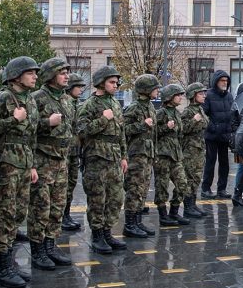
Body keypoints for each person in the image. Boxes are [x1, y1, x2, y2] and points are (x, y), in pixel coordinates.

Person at [0, 56, 40, 288]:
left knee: (17, 213)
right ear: (16, 76)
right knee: (3, 214)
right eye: (30, 72)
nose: (35, 76)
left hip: (23, 163)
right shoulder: (3, 99)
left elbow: (31, 136)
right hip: (5, 163)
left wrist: (32, 164)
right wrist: (12, 120)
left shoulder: (30, 101)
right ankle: (3, 266)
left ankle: (7, 263)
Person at [28, 58, 75, 270]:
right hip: (43, 158)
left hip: (61, 160)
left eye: (67, 72)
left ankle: (51, 245)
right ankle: (38, 251)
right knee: (41, 207)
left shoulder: (66, 100)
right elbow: (26, 129)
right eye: (62, 72)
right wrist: (47, 123)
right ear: (50, 75)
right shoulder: (36, 98)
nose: (66, 76)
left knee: (57, 206)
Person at [76, 66, 128, 255]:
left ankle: (107, 231)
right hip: (96, 158)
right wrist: (103, 121)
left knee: (115, 197)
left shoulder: (115, 103)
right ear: (100, 83)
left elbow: (121, 132)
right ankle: (97, 234)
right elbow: (81, 131)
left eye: (116, 82)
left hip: (114, 158)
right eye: (112, 82)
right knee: (98, 198)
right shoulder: (89, 105)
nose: (116, 86)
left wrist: (124, 156)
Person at [123, 74, 159, 238]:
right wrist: (142, 125)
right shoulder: (134, 108)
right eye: (155, 88)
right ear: (146, 89)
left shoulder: (150, 106)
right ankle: (129, 224)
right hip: (136, 154)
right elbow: (124, 130)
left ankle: (137, 222)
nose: (157, 91)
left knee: (143, 189)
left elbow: (154, 134)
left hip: (147, 154)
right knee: (134, 189)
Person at [154, 84, 190, 225]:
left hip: (176, 154)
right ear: (169, 97)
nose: (180, 97)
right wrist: (165, 127)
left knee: (182, 184)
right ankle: (163, 216)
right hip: (163, 155)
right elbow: (153, 132)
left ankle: (174, 212)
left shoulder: (176, 112)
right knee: (161, 186)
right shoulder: (161, 113)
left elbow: (180, 133)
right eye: (178, 95)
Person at [201, 71, 236, 200]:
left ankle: (222, 189)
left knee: (224, 164)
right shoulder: (208, 95)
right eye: (222, 81)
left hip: (225, 136)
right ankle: (206, 189)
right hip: (212, 135)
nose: (225, 83)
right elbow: (204, 114)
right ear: (216, 82)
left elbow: (232, 114)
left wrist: (232, 130)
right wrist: (213, 127)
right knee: (210, 162)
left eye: (226, 81)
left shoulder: (229, 96)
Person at [61, 73, 87, 232]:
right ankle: (62, 216)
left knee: (70, 184)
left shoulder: (76, 104)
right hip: (66, 150)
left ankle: (66, 214)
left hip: (74, 150)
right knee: (64, 186)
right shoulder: (66, 103)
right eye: (78, 87)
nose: (81, 90)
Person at [178, 82, 208, 219]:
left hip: (199, 148)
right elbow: (182, 130)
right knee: (189, 177)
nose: (204, 96)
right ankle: (188, 206)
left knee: (196, 177)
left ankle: (193, 204)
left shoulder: (200, 109)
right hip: (190, 149)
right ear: (193, 95)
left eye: (204, 93)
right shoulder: (188, 111)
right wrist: (194, 121)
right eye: (200, 93)